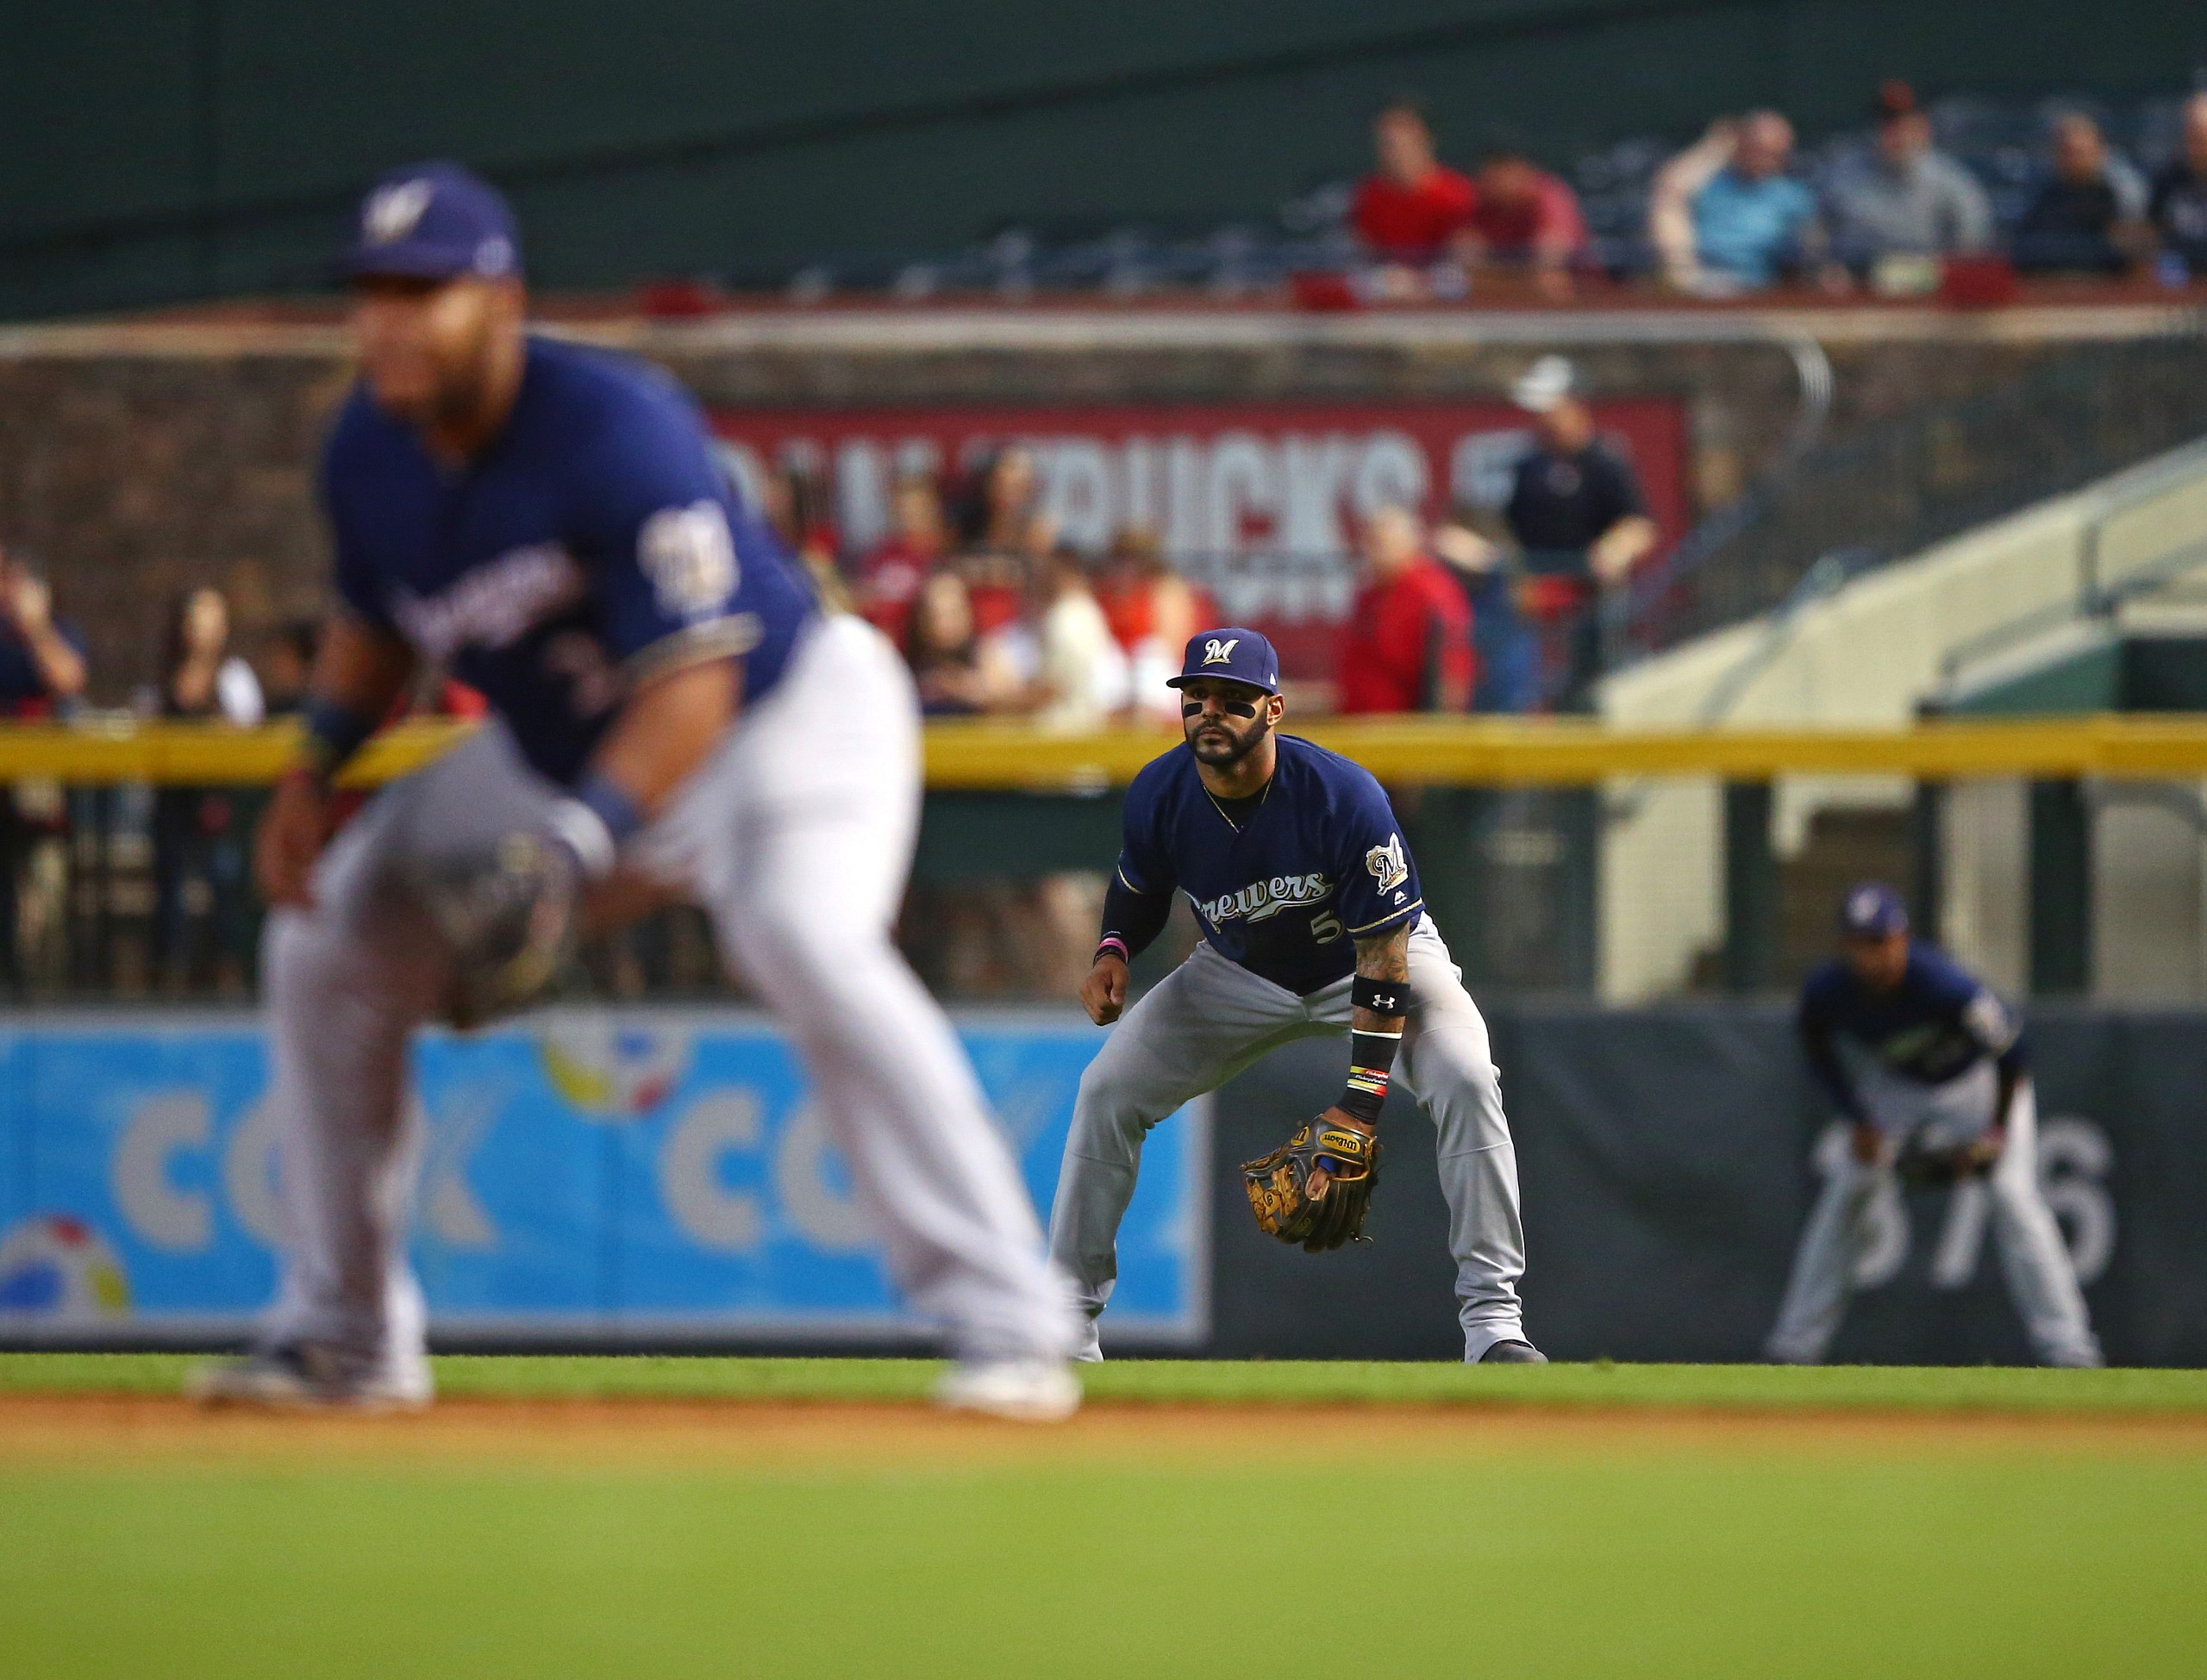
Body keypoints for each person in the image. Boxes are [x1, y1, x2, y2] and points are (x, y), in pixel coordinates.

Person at [187, 161, 1077, 1419]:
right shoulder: (368, 452)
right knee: (327, 942)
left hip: (784, 723)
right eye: (372, 293)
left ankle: (1011, 1321)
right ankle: (345, 1334)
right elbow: (373, 622)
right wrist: (311, 766)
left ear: (502, 302)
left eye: (423, 293)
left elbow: (695, 678)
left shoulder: (612, 424)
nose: (387, 321)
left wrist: (575, 844)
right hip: (561, 748)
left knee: (802, 936)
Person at [1049, 628, 1541, 1365]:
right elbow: (1138, 886)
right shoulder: (1160, 789)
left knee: (1468, 1078)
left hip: (1367, 963)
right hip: (1237, 971)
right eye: (1196, 697)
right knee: (1106, 1091)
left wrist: (1361, 1103)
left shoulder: (1343, 796)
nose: (1210, 712)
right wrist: (1113, 949)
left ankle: (1494, 1322)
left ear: (1274, 708)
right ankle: (1064, 1323)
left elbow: (1384, 960)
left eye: (1233, 699)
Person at [1766, 884, 2103, 1369]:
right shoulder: (1828, 991)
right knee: (1848, 1190)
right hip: (1897, 1086)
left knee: (2013, 1195)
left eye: (1879, 941)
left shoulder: (1943, 984)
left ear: (1902, 939)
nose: (1870, 955)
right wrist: (1858, 1119)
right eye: (1859, 943)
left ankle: (2071, 1349)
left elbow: (2012, 1053)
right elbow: (1816, 1048)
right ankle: (1794, 1348)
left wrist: (1996, 1132)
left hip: (1978, 1083)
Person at [1501, 357, 1657, 709]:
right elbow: (1511, 529)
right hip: (1540, 600)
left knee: (1590, 683)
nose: (1543, 418)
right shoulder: (1529, 466)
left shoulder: (1604, 462)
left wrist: (1613, 550)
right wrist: (1519, 577)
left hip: (1593, 601)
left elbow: (1639, 525)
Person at [150, 587, 265, 992]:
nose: (201, 628)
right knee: (172, 890)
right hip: (174, 800)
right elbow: (171, 705)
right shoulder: (167, 671)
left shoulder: (233, 673)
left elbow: (250, 729)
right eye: (195, 618)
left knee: (225, 888)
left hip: (219, 801)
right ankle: (170, 974)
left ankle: (230, 974)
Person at [0, 549, 89, 993]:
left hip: (39, 785)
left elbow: (67, 678)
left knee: (42, 890)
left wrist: (35, 627)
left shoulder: (59, 632)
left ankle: (44, 988)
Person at [1824, 81, 1994, 282]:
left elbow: (1973, 250)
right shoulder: (1843, 176)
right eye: (1889, 125)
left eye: (1908, 126)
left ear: (1926, 129)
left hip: (1931, 286)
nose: (1899, 135)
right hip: (1856, 284)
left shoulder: (1953, 182)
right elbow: (1816, 239)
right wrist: (1825, 269)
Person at [1649, 111, 1822, 293]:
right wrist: (1715, 148)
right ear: (1740, 144)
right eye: (1756, 148)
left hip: (1761, 286)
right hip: (1701, 280)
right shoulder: (1708, 182)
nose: (1763, 158)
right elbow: (1668, 193)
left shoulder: (1792, 195)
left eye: (1773, 153)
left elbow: (1813, 244)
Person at [1335, 505, 1472, 715]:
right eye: (1370, 543)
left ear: (1410, 544)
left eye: (1382, 544)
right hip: (1361, 720)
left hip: (1405, 725)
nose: (1374, 552)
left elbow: (1452, 670)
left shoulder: (1431, 592)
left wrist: (1442, 725)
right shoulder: (1369, 596)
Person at [981, 545, 1129, 730]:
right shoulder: (1082, 613)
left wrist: (993, 699)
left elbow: (1051, 689)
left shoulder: (1070, 617)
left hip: (1067, 732)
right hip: (1068, 730)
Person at [2015, 109, 2152, 277]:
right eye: (2066, 151)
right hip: (2049, 282)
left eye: (2079, 152)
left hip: (2106, 285)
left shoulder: (2119, 193)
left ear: (2099, 151)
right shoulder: (2044, 195)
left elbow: (2133, 254)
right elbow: (2026, 249)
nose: (2073, 160)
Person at [1350, 97, 1477, 276]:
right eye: (1386, 142)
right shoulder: (1369, 194)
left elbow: (1467, 257)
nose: (1395, 147)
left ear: (1427, 139)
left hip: (1444, 282)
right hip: (1387, 281)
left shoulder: (1456, 193)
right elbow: (1364, 252)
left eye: (1404, 133)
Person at [1463, 141, 1589, 299]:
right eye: (1490, 174)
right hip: (1510, 283)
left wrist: (1494, 278)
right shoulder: (1480, 202)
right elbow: (1466, 256)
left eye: (1504, 172)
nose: (1496, 180)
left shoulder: (1548, 197)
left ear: (1524, 172)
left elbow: (1551, 257)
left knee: (1550, 282)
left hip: (1584, 293)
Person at [853, 473, 949, 646]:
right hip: (883, 644)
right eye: (902, 510)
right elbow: (864, 597)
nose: (909, 516)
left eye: (916, 509)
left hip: (926, 645)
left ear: (932, 510)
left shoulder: (944, 553)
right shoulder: (881, 555)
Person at [2148, 91, 2207, 278]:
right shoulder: (2168, 178)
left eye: (2202, 138)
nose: (2198, 147)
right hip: (2180, 270)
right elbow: (2153, 227)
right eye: (2192, 136)